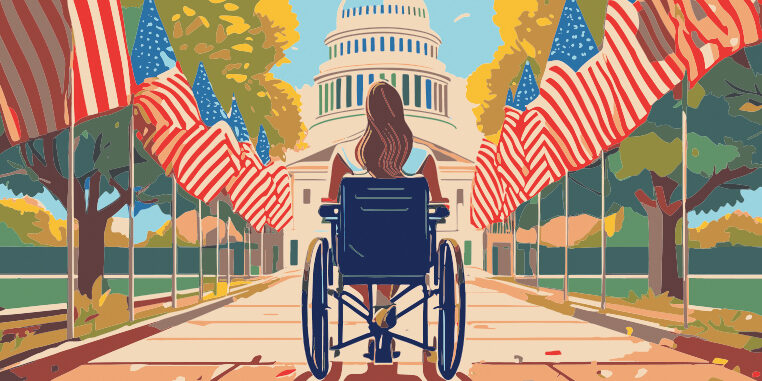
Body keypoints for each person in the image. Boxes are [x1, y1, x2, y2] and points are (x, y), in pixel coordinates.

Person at [323, 81, 448, 354]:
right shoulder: (422, 158)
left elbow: (329, 204)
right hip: (409, 253)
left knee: (366, 252)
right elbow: (439, 204)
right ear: (400, 111)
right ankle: (382, 308)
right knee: (391, 247)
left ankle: (379, 307)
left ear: (368, 113)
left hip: (356, 254)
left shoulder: (345, 156)